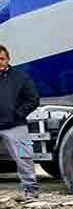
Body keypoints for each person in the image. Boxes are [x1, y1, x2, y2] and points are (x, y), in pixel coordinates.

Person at [0, 45, 39, 200]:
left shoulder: (20, 78)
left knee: (24, 157)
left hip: (16, 126)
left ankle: (31, 191)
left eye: (2, 59)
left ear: (8, 59)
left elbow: (33, 99)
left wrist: (17, 114)